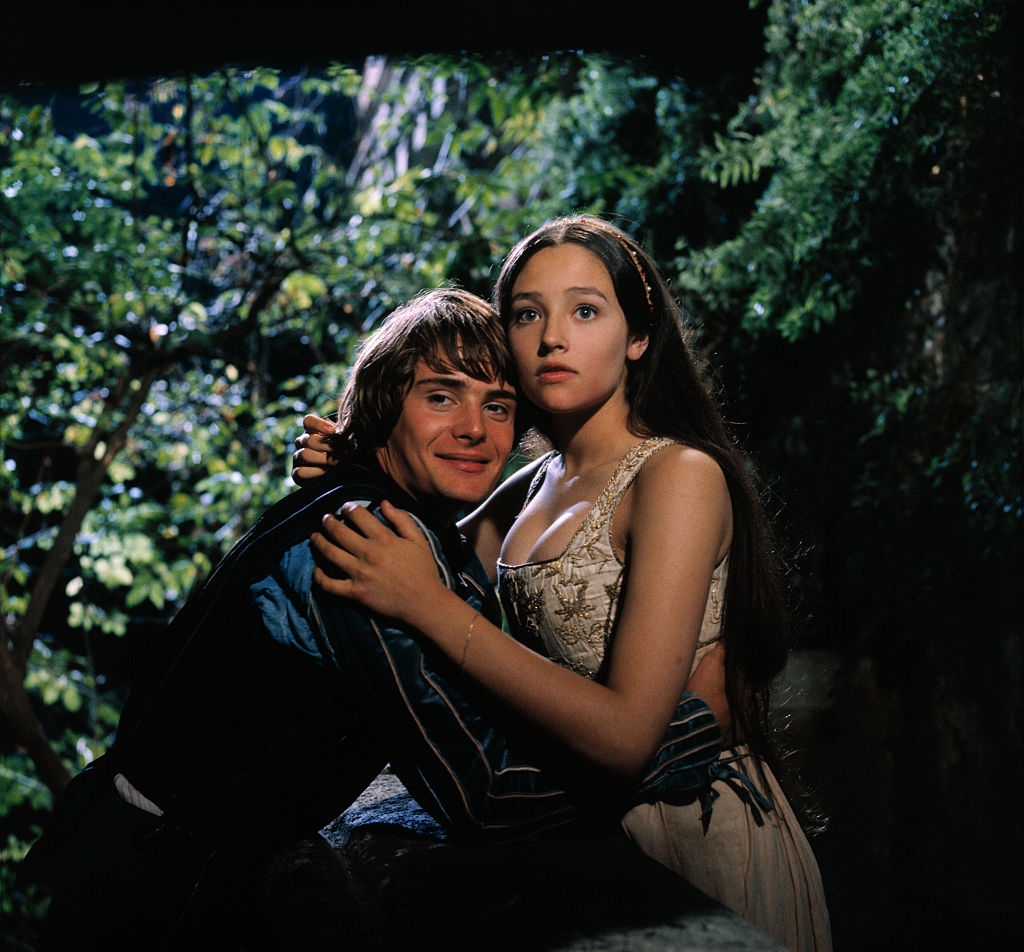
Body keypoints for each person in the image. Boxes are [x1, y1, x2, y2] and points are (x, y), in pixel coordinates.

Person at [25, 287, 728, 952]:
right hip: (158, 897)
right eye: (441, 396)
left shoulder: (372, 507)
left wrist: (353, 451)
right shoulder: (367, 540)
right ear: (387, 403)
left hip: (149, 862)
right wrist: (695, 724)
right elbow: (487, 795)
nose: (473, 429)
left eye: (498, 405)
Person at [301, 217, 833, 951]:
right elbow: (416, 537)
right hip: (584, 843)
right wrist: (350, 461)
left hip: (695, 831)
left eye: (585, 310)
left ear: (637, 336)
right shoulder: (534, 486)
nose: (553, 337)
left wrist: (429, 607)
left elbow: (625, 737)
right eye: (527, 315)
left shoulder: (677, 475)